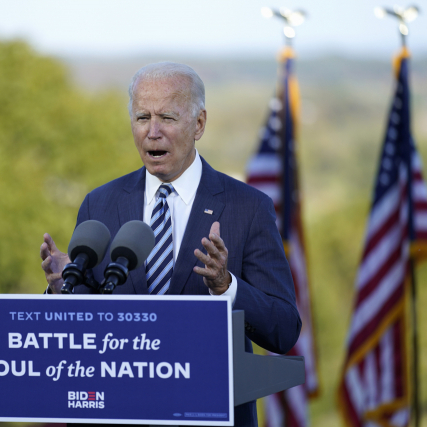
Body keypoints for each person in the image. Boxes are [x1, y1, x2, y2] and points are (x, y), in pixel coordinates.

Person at [40, 62, 301, 427]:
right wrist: (61, 291)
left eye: (167, 117)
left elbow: (284, 328)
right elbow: (85, 323)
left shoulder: (247, 207)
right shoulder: (99, 204)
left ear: (199, 124)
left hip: (210, 414)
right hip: (118, 415)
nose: (153, 132)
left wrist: (227, 289)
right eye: (142, 117)